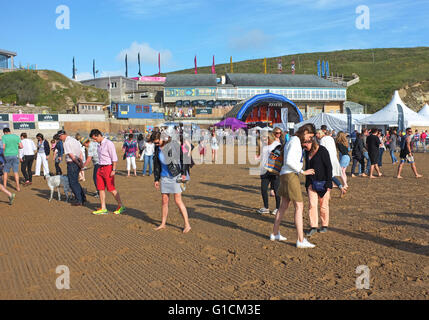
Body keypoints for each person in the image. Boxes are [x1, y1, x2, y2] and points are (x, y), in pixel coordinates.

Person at [272, 124, 316, 249]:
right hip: (291, 175)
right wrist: (303, 171)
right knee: (299, 206)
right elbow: (290, 161)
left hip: (285, 174)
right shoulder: (295, 141)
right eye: (309, 136)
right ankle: (300, 239)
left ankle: (275, 233)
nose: (309, 139)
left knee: (283, 206)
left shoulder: (293, 140)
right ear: (305, 131)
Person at [152, 131, 191, 234]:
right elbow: (156, 165)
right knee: (164, 201)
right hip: (164, 177)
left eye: (157, 142)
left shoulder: (173, 145)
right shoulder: (157, 149)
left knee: (178, 200)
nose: (156, 144)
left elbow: (184, 158)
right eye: (155, 143)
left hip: (176, 175)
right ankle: (163, 223)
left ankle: (187, 224)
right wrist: (156, 179)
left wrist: (183, 172)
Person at [89, 129, 125, 215]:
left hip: (108, 167)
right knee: (100, 188)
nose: (94, 140)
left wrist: (114, 169)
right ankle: (103, 207)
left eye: (95, 138)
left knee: (111, 188)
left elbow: (114, 157)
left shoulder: (109, 143)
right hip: (100, 167)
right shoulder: (98, 145)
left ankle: (121, 205)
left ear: (98, 135)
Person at [303, 138, 333, 237]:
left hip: (323, 182)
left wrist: (329, 183)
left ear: (311, 142)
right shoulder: (306, 152)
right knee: (312, 205)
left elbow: (329, 167)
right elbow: (307, 167)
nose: (304, 145)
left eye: (305, 143)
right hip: (311, 182)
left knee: (323, 205)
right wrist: (307, 184)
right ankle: (313, 226)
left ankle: (324, 225)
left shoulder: (322, 150)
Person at [58, 130, 86, 206]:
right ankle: (82, 197)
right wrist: (81, 163)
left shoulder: (66, 143)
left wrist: (77, 163)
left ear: (63, 135)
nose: (60, 138)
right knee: (75, 182)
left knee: (72, 183)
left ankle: (79, 199)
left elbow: (71, 155)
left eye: (60, 136)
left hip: (72, 163)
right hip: (77, 161)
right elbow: (80, 153)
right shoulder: (75, 140)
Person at [318, 129, 347, 198]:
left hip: (327, 159)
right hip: (333, 158)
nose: (316, 136)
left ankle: (338, 189)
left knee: (328, 176)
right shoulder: (331, 138)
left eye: (317, 134)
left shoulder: (322, 140)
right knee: (330, 176)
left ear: (320, 134)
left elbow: (321, 150)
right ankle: (339, 189)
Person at [257, 132, 281, 216]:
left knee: (276, 190)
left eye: (265, 138)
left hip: (274, 171)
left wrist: (271, 162)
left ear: (270, 137)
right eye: (262, 139)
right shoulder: (263, 145)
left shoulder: (276, 144)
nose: (264, 140)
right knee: (263, 189)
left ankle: (278, 208)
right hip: (264, 170)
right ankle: (266, 207)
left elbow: (278, 155)